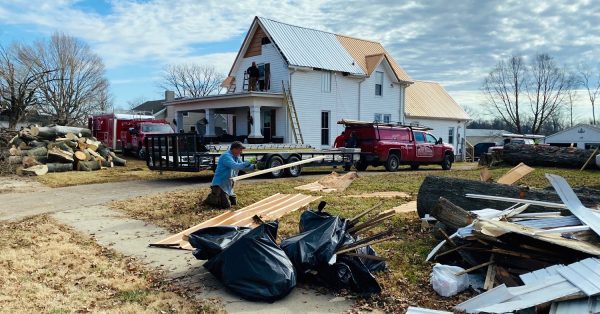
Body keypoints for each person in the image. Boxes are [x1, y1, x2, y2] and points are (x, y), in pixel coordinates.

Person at [203, 141, 254, 209]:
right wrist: (246, 163)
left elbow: (243, 168)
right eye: (240, 149)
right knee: (225, 206)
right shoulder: (226, 156)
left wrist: (254, 166)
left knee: (234, 203)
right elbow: (235, 166)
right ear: (234, 149)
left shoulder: (236, 157)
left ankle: (215, 196)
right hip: (220, 184)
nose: (241, 152)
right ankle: (212, 198)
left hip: (228, 183)